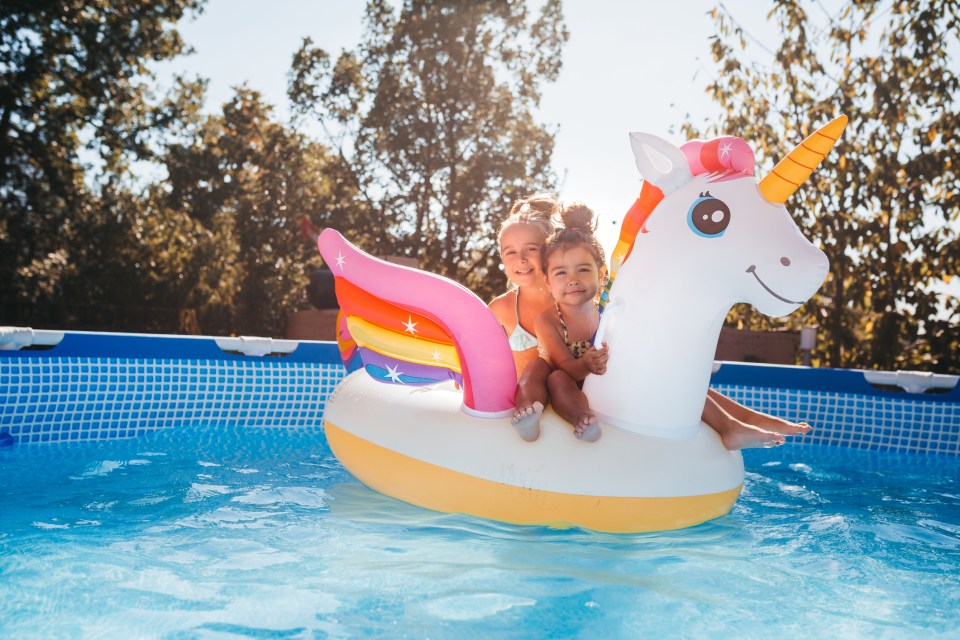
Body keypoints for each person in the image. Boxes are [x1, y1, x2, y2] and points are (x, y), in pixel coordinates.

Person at [490, 197, 812, 448]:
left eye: (531, 250)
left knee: (670, 368)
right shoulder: (510, 308)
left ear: (548, 252)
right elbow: (490, 361)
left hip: (596, 377)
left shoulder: (577, 294)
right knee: (541, 370)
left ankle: (739, 421)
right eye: (510, 252)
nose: (521, 259)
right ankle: (535, 417)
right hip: (552, 384)